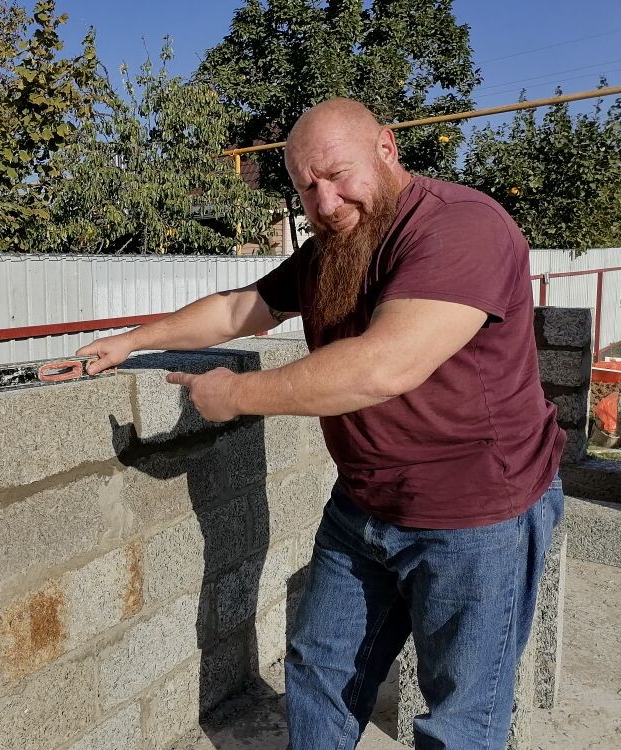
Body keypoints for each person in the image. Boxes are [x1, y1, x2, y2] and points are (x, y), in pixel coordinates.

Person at [77, 98, 565, 749]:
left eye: (338, 175)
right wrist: (130, 342)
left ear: (386, 148)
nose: (326, 203)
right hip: (364, 505)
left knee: (458, 720)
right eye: (308, 188)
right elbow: (239, 310)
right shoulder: (332, 250)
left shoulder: (460, 227)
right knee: (318, 674)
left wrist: (237, 394)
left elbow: (385, 366)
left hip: (474, 515)